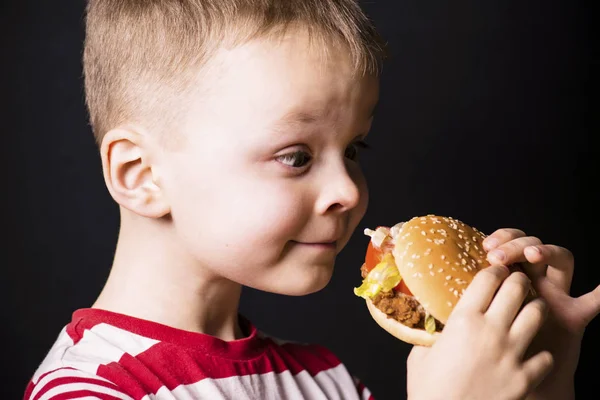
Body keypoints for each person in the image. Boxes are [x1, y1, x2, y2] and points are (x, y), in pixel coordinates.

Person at [23, 0, 599, 399]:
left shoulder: (327, 381)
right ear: (141, 174)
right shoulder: (87, 389)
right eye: (296, 155)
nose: (349, 190)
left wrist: (541, 381)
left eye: (353, 148)